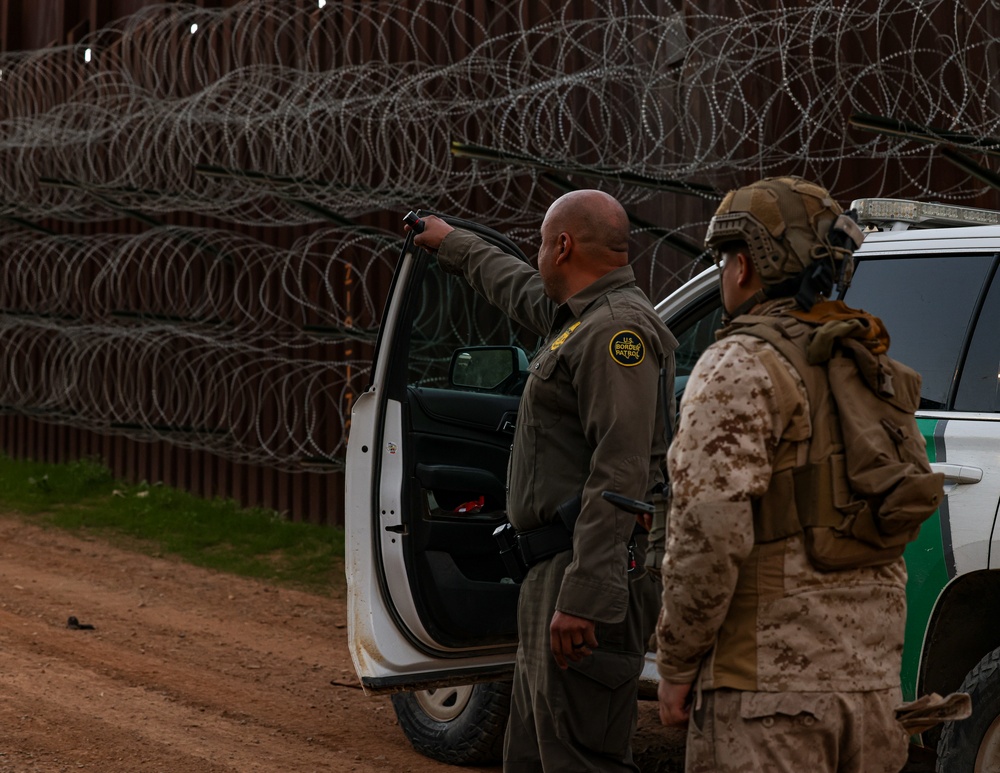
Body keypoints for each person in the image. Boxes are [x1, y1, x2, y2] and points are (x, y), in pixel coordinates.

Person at [409, 189, 678, 772]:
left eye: (538, 242)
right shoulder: (579, 322)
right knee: (534, 755)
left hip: (582, 571)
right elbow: (515, 286)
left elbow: (622, 469)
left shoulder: (616, 333)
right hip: (554, 571)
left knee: (578, 757)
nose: (534, 254)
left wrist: (585, 597)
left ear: (562, 246)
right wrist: (450, 241)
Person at [655, 176, 911, 772]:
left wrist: (675, 664)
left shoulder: (738, 362)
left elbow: (709, 533)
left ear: (743, 266)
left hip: (768, 696)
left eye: (723, 260)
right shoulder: (871, 365)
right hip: (873, 694)